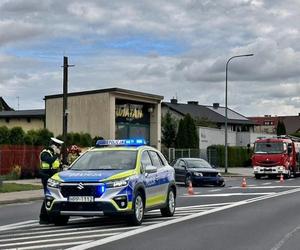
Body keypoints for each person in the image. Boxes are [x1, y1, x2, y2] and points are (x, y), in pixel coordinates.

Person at [39, 137, 64, 224]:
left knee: (52, 197)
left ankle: (49, 217)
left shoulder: (53, 154)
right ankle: (43, 218)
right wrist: (56, 156)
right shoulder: (45, 152)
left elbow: (56, 166)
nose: (59, 149)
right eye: (58, 147)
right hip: (46, 178)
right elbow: (48, 160)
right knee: (48, 197)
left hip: (53, 179)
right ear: (54, 146)